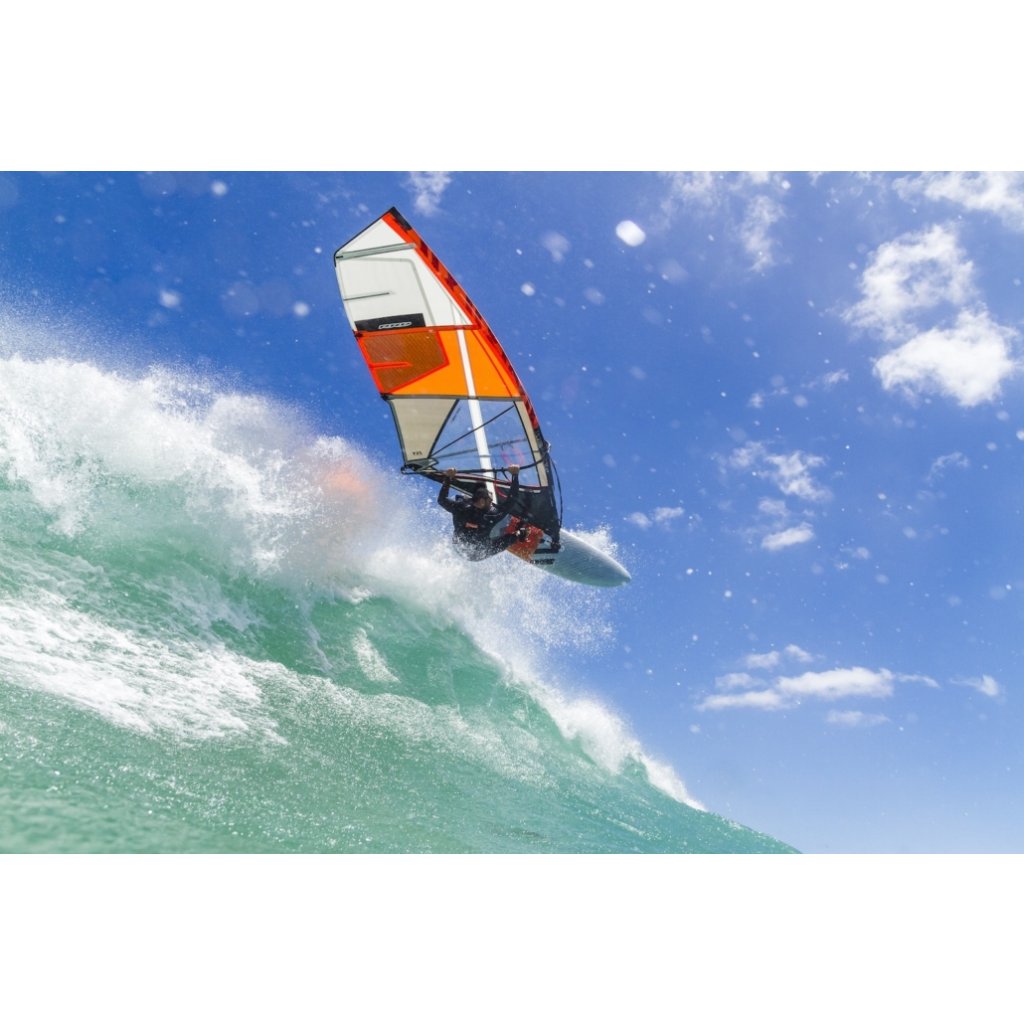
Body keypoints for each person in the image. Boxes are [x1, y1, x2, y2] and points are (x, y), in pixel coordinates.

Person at [437, 465, 528, 560]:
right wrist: (515, 475)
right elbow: (511, 501)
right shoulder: (492, 515)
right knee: (505, 541)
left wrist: (448, 478)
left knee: (462, 499)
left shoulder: (459, 507)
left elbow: (441, 500)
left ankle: (476, 492)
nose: (491, 503)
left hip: (459, 548)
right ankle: (519, 533)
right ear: (482, 501)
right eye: (490, 501)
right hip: (479, 554)